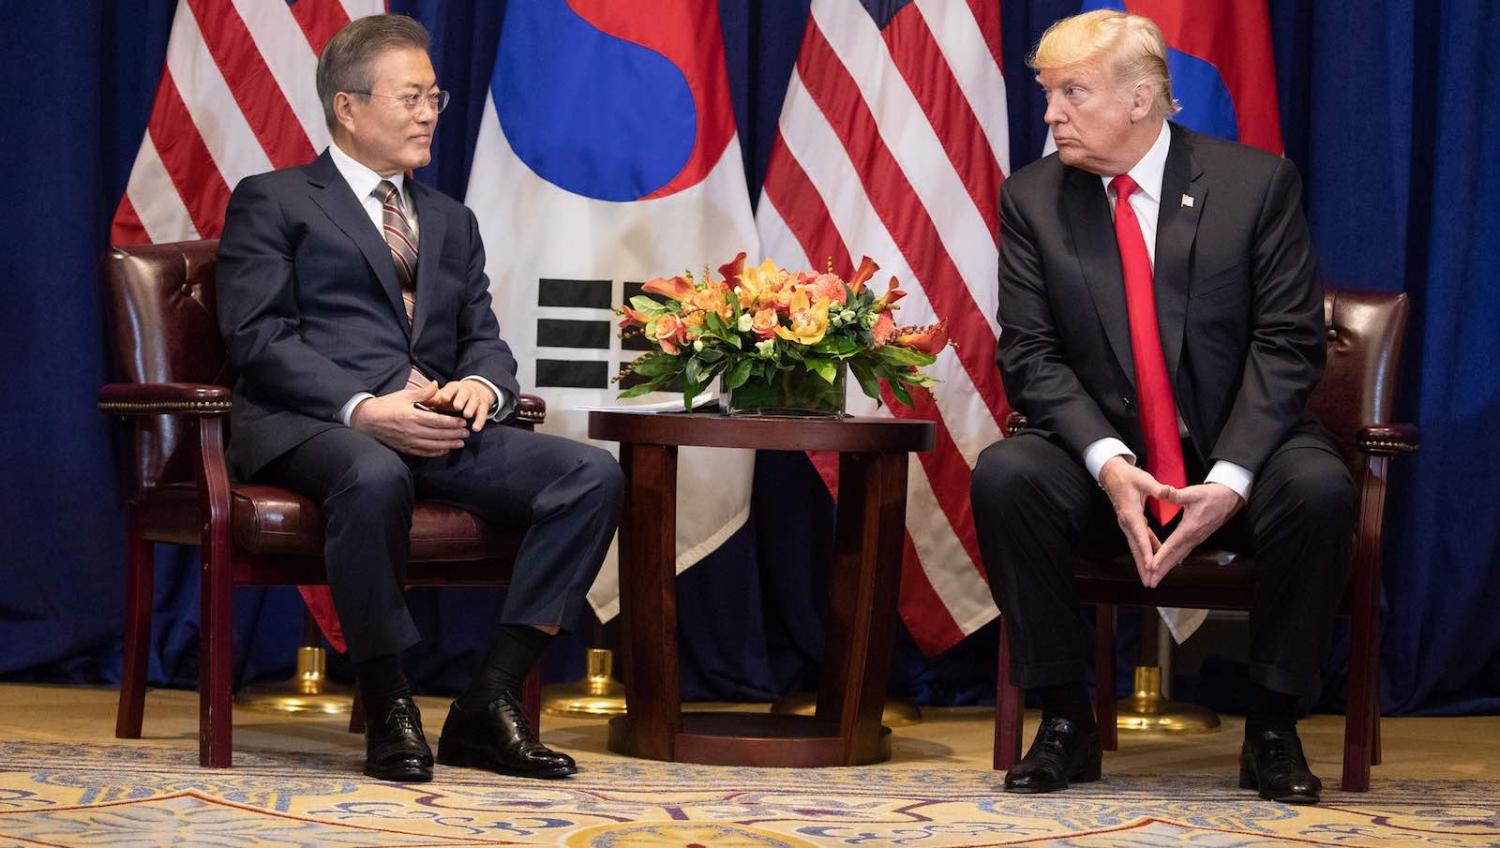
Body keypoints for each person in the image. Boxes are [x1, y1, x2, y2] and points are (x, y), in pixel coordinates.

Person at [216, 14, 623, 783]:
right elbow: (258, 338)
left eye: (435, 95)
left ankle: (490, 701)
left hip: (435, 426)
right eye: (411, 97)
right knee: (373, 474)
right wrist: (364, 409)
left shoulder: (449, 218)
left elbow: (485, 337)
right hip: (318, 427)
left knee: (590, 475)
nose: (431, 112)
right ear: (348, 106)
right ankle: (388, 694)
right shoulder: (274, 200)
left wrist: (484, 387)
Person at [969, 10, 1354, 804]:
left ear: (1141, 99)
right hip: (1106, 466)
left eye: (1072, 92)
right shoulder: (1033, 199)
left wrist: (1233, 475)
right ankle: (1067, 719)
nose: (1050, 114)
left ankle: (1274, 729)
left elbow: (1288, 346)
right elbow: (1029, 356)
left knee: (1319, 489)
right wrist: (1109, 466)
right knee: (1008, 475)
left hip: (1238, 454)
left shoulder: (1255, 184)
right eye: (1048, 93)